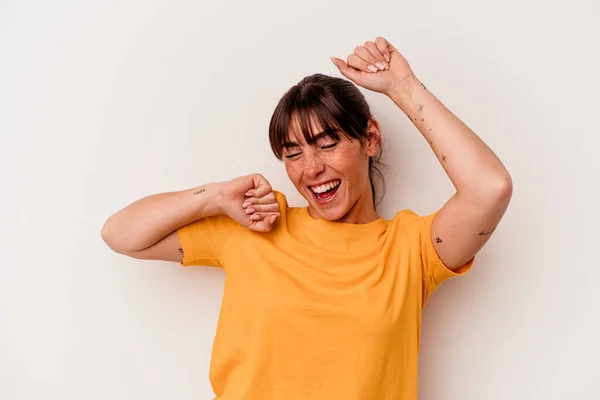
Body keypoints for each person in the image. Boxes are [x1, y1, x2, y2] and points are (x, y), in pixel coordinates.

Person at [101, 37, 513, 400]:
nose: (310, 168)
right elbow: (120, 234)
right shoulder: (256, 226)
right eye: (293, 153)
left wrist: (402, 88)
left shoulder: (411, 249)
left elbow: (489, 188)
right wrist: (213, 196)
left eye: (327, 144)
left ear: (369, 139)